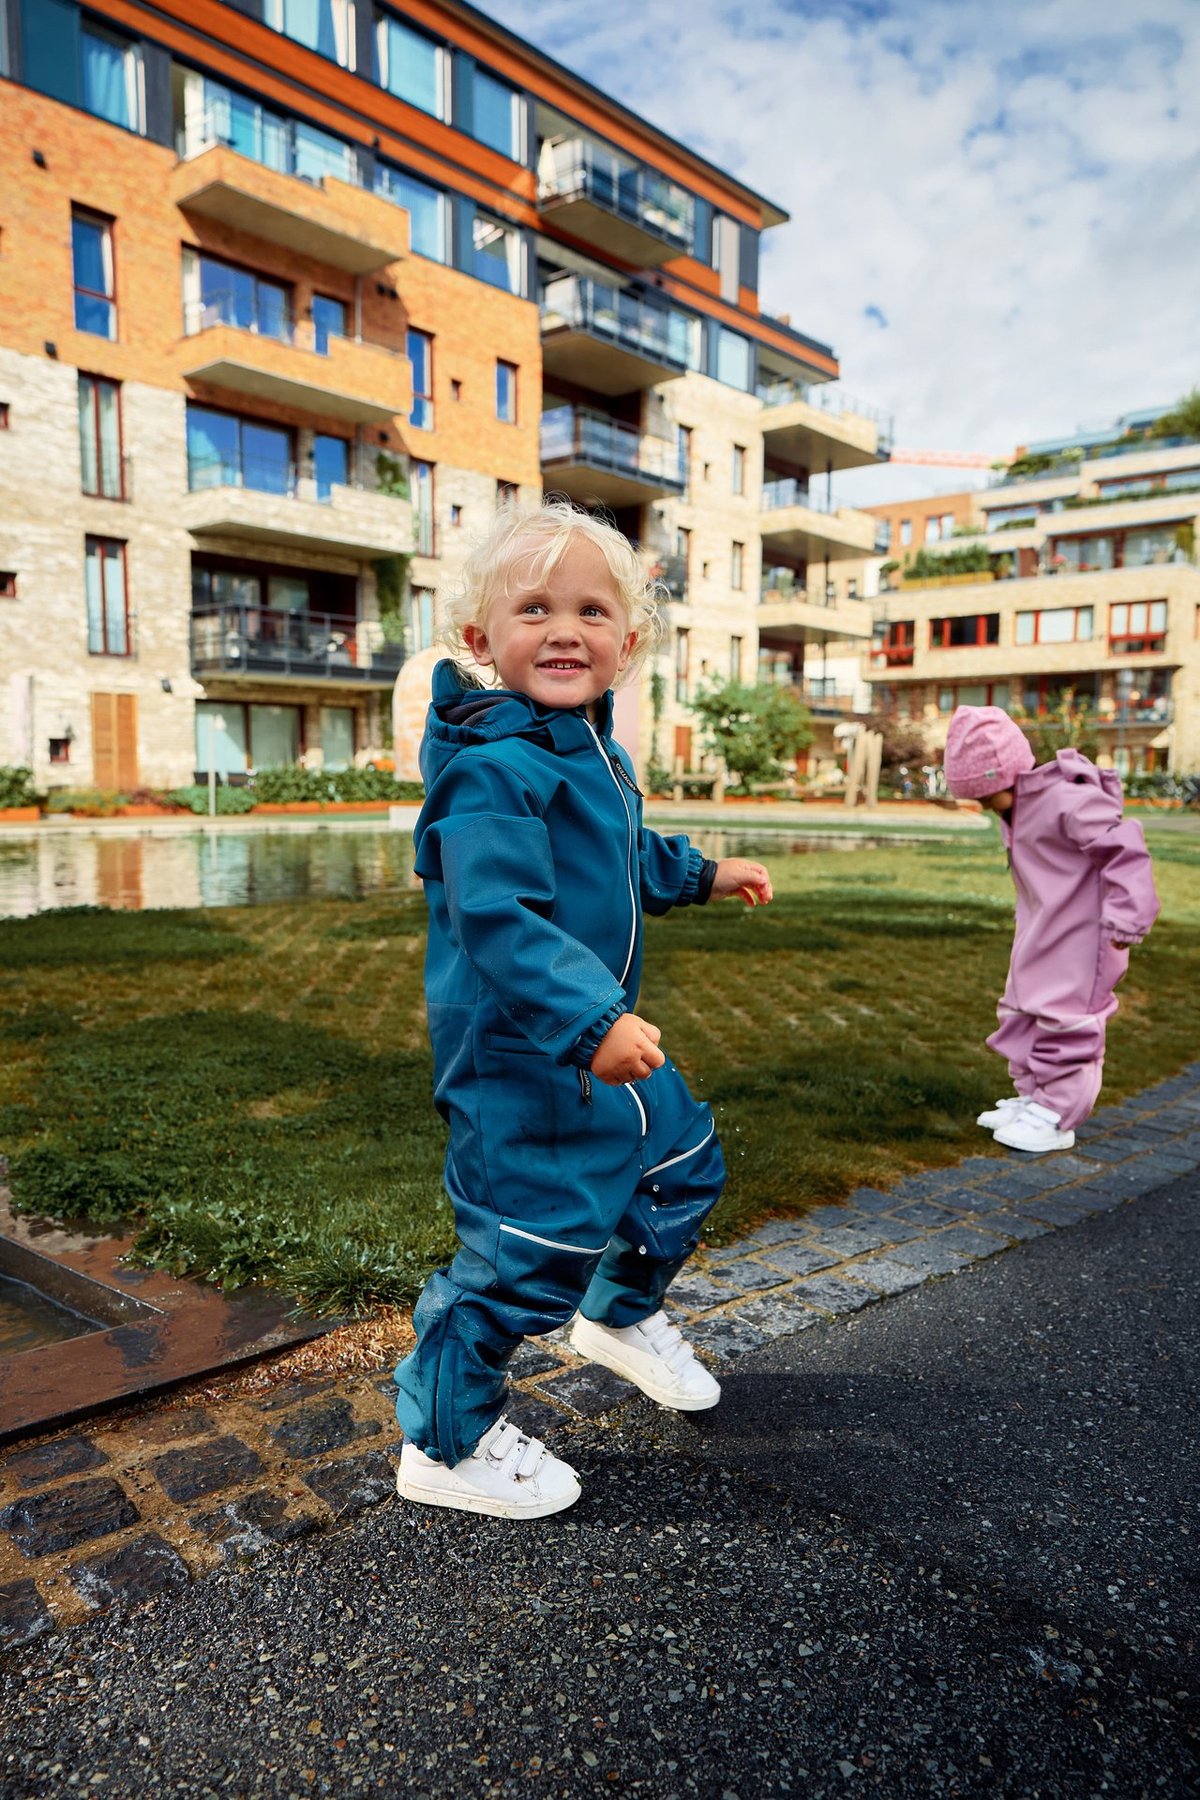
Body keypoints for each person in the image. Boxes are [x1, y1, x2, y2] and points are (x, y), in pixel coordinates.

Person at [393, 501, 773, 1519]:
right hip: (521, 1057)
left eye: (591, 611)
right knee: (525, 1254)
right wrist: (591, 1022)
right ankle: (443, 1440)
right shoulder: (491, 772)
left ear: (627, 642)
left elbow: (621, 853)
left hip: (594, 1043)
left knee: (683, 1165)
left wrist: (700, 874)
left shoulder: (592, 752)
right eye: (534, 609)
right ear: (481, 639)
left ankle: (617, 1315)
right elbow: (495, 915)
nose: (565, 631)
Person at [942, 705, 1159, 1155]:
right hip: (1043, 927)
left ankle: (1058, 1115)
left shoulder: (1067, 800)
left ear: (1008, 774)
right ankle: (1034, 1096)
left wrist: (1128, 916)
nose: (984, 806)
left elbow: (1125, 851)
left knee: (1067, 1017)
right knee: (1023, 1007)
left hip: (1087, 934)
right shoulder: (1019, 808)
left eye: (987, 795)